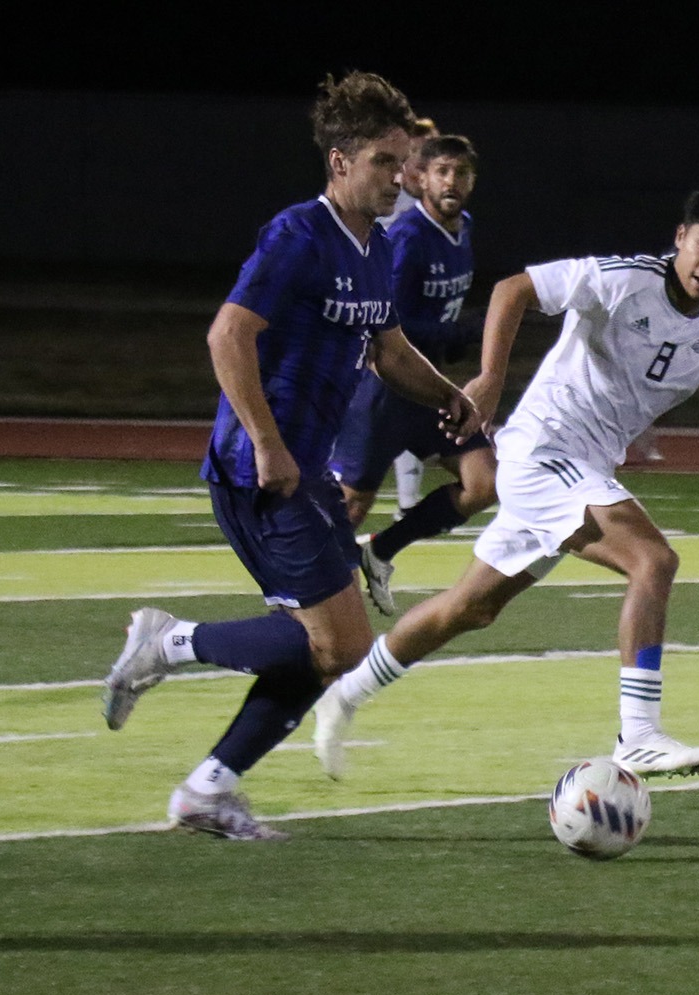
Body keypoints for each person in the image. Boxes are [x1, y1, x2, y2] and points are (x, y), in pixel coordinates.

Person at [311, 174, 699, 781]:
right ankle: (638, 735)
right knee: (653, 561)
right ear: (680, 237)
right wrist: (490, 378)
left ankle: (345, 694)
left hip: (581, 468)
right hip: (543, 450)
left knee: (470, 609)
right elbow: (515, 288)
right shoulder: (623, 280)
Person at [99, 72, 480, 841]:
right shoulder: (298, 234)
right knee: (341, 644)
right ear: (339, 162)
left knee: (329, 652)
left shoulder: (375, 245)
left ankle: (207, 790)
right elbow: (227, 336)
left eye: (403, 162)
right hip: (262, 470)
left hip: (308, 471)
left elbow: (389, 348)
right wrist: (269, 444)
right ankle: (166, 644)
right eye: (383, 162)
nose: (398, 178)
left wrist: (449, 394)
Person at [330, 133, 494, 616]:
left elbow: (438, 314)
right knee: (351, 506)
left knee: (484, 483)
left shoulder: (463, 229)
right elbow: (389, 321)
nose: (452, 181)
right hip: (386, 389)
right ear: (420, 178)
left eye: (461, 173)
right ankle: (301, 598)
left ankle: (380, 551)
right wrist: (458, 330)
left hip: (430, 388)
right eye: (442, 171)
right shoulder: (408, 237)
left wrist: (454, 338)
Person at [379, 116, 439, 518]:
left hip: (400, 311)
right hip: (374, 305)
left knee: (406, 404)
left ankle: (407, 503)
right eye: (421, 151)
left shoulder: (431, 207)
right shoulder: (387, 193)